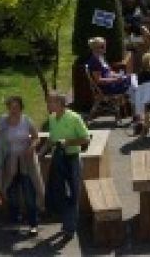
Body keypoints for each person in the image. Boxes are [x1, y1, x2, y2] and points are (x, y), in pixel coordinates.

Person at [0, 96, 42, 237]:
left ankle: (33, 224)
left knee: (29, 194)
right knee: (11, 193)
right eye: (11, 107)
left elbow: (36, 138)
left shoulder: (26, 120)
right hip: (9, 162)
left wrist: (31, 147)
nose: (14, 110)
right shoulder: (3, 120)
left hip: (25, 162)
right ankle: (15, 219)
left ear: (21, 108)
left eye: (16, 107)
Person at [42, 91, 88, 235]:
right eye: (48, 102)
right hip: (58, 159)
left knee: (73, 193)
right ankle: (66, 223)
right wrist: (40, 153)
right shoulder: (51, 118)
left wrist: (68, 142)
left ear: (61, 104)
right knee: (60, 191)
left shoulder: (74, 118)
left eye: (51, 102)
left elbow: (86, 139)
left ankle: (70, 227)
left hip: (72, 158)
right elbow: (51, 139)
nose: (48, 104)